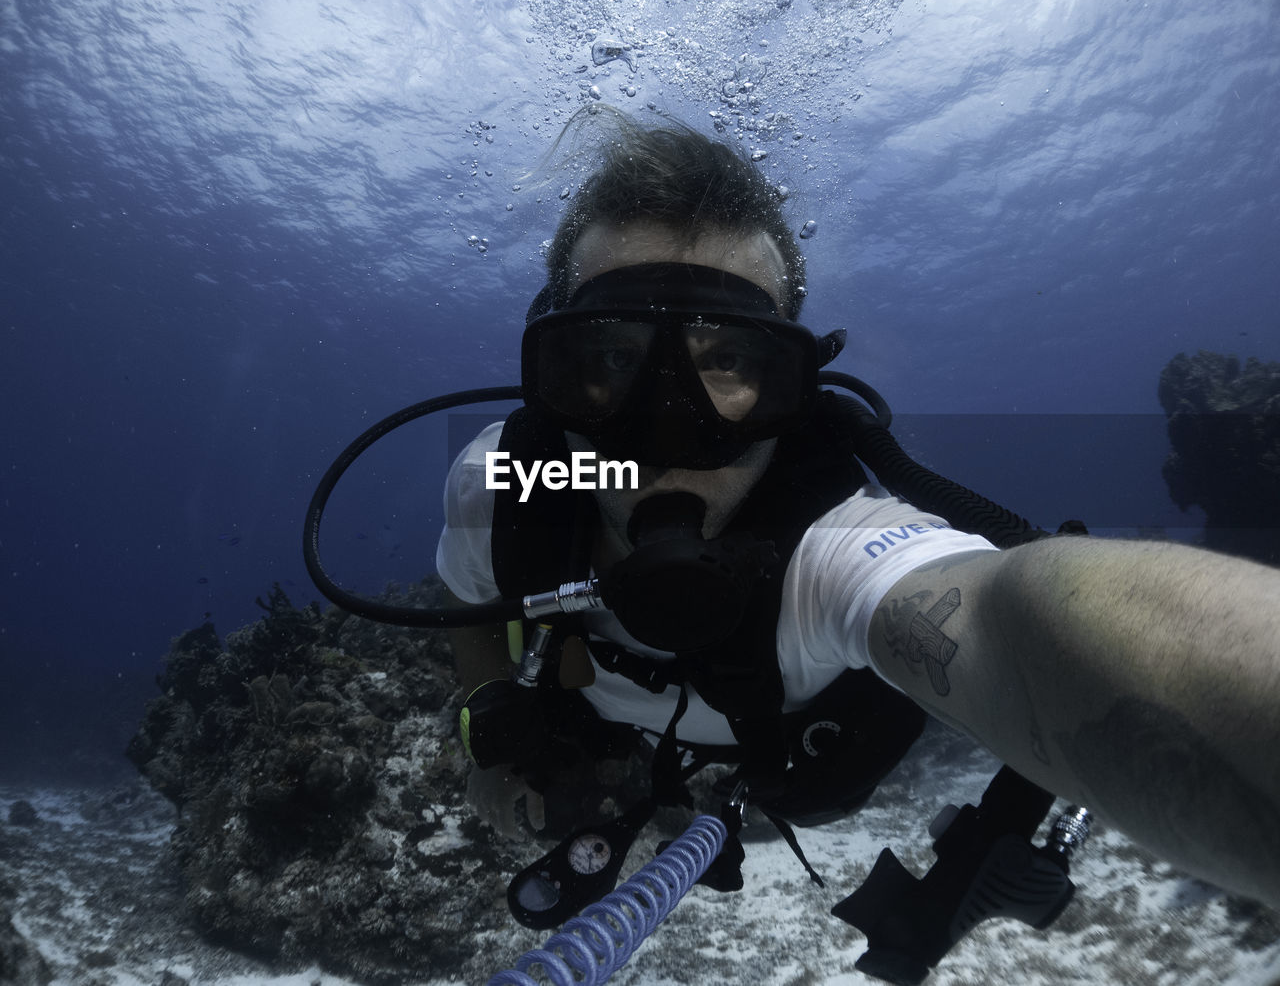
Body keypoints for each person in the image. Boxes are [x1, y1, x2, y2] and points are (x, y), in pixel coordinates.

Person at [436, 107, 1280, 910]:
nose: (669, 429)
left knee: (824, 794)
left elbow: (1012, 623)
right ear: (554, 376)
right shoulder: (505, 487)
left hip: (788, 757)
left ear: (789, 388)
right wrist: (486, 722)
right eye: (615, 354)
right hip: (603, 728)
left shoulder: (832, 549)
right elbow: (469, 599)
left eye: (726, 358)